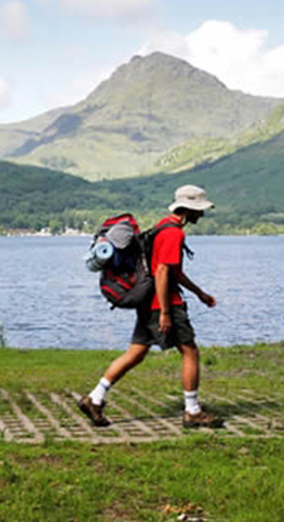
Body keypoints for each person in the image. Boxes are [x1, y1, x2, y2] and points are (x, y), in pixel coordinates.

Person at [77, 184, 224, 429]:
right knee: (190, 352)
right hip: (164, 303)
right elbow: (163, 271)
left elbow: (173, 270)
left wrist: (200, 293)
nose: (202, 214)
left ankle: (95, 398)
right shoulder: (174, 234)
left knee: (136, 353)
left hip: (148, 302)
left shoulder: (161, 227)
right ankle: (193, 411)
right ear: (188, 209)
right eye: (200, 209)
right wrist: (166, 312)